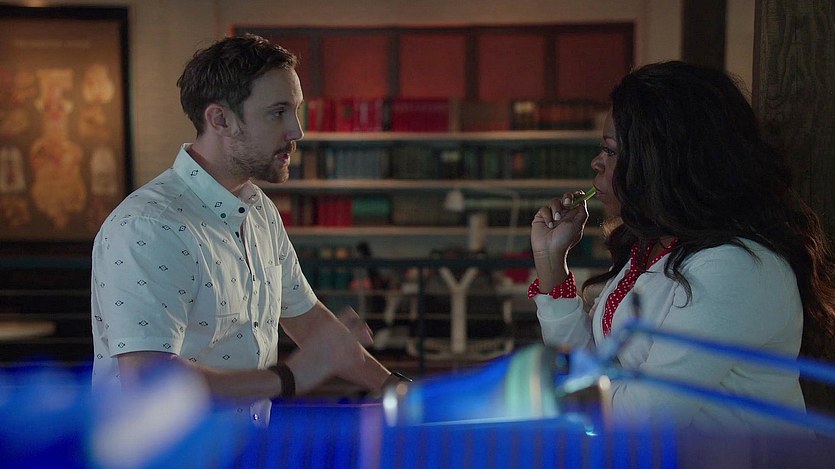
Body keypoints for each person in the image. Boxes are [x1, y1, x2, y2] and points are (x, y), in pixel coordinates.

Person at [91, 35, 402, 425]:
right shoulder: (149, 227)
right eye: (278, 113)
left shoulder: (259, 210)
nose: (297, 131)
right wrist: (290, 377)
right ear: (220, 119)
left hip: (242, 446)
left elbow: (305, 317)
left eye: (295, 111)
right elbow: (149, 379)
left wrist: (397, 390)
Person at [529, 61, 835, 432]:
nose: (597, 162)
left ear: (662, 161)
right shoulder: (655, 248)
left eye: (611, 151)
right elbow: (593, 368)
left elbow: (643, 420)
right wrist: (551, 262)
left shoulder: (732, 268)